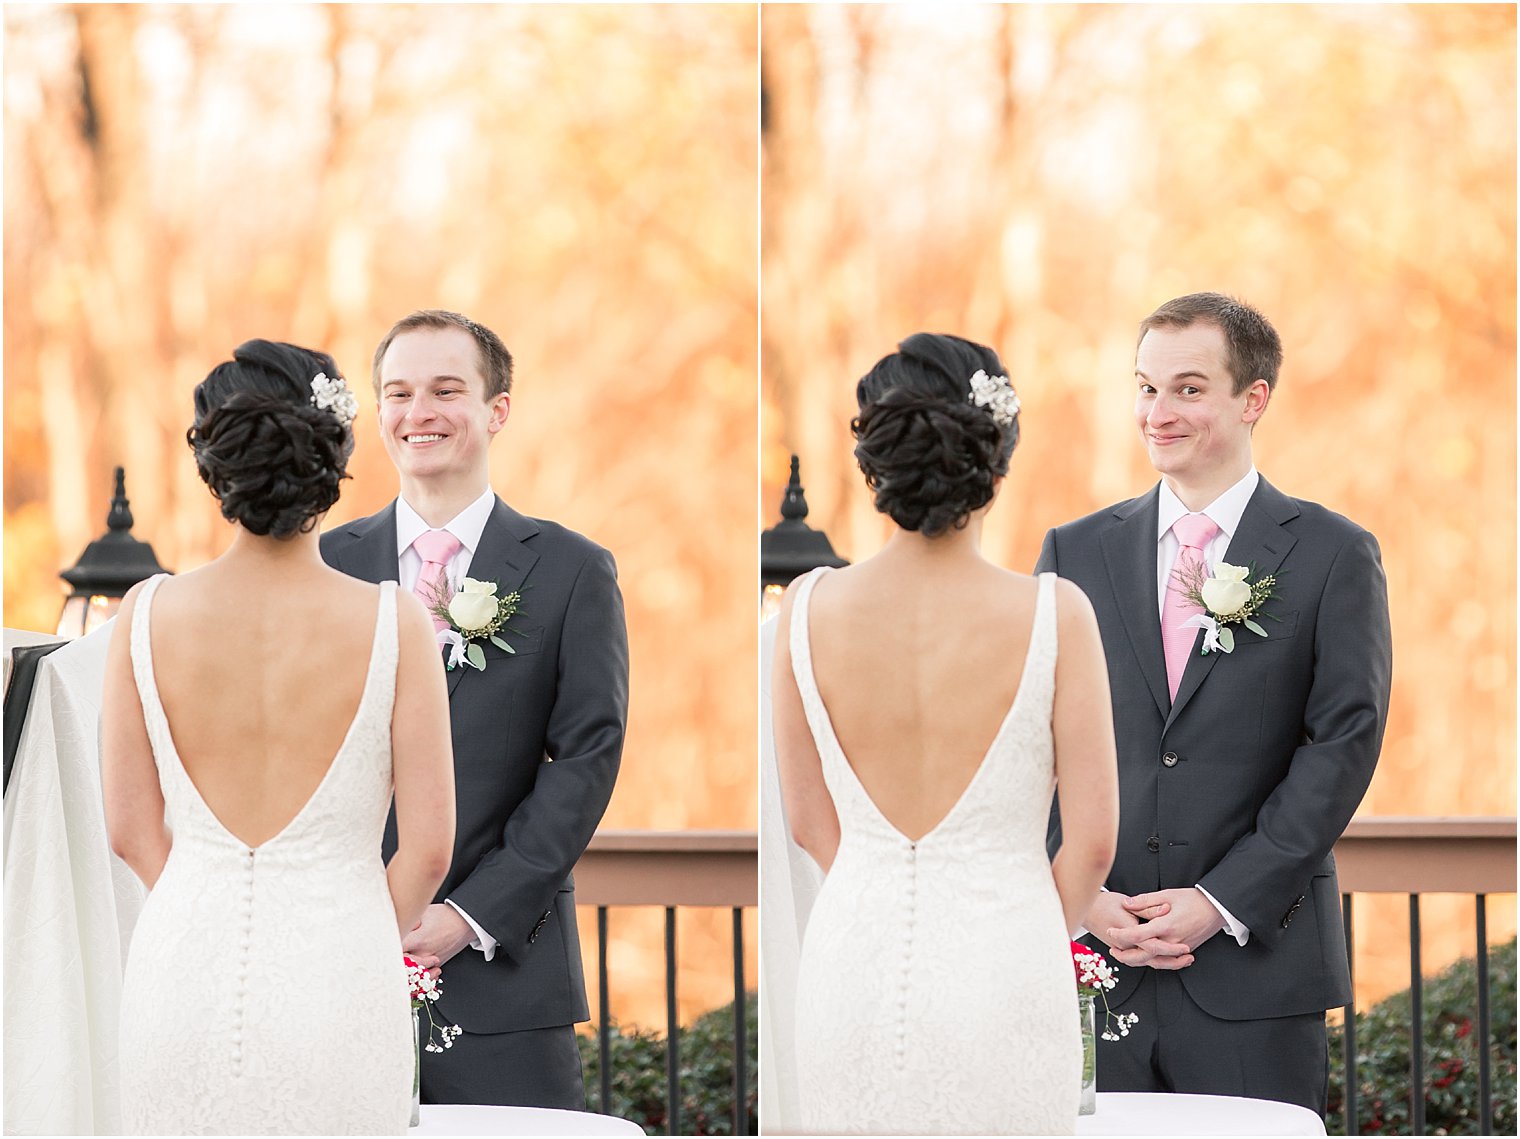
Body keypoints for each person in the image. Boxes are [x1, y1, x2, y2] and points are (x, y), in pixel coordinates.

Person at [1036, 292, 1392, 1114]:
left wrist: (1219, 901)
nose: (1157, 413)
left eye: (1188, 389)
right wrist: (1077, 891)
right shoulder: (1073, 550)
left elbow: (1344, 743)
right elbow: (1029, 739)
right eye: (1146, 387)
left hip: (1256, 975)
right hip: (1095, 964)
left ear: (1252, 398)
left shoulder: (1335, 554)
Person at [102, 340, 457, 1134]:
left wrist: (211, 896)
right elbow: (429, 848)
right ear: (331, 455)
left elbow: (129, 829)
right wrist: (350, 921)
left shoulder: (143, 615)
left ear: (214, 463)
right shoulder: (393, 621)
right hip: (340, 979)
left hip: (178, 973)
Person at [772, 332, 1119, 1135]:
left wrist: (882, 881)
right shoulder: (1056, 613)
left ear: (876, 463)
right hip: (1009, 970)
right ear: (996, 457)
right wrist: (1021, 919)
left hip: (849, 962)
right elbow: (1094, 843)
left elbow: (808, 822)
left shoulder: (806, 608)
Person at [320, 310, 628, 1109]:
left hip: (506, 980)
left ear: (498, 409)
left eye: (445, 390)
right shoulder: (323, 567)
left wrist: (467, 914)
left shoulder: (570, 570)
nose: (417, 413)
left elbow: (588, 758)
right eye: (398, 392)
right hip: (335, 969)